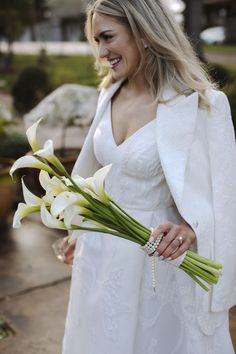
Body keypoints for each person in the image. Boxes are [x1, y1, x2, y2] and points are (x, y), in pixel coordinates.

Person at [62, 1, 236, 353]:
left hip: (157, 268)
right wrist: (81, 229)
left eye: (108, 37)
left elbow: (224, 197)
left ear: (142, 32)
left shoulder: (200, 105)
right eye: (96, 41)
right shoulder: (109, 94)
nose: (101, 52)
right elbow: (98, 177)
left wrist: (189, 229)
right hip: (98, 262)